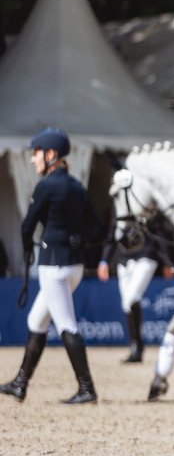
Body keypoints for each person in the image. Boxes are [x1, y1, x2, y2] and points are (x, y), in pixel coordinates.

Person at [1, 128, 103, 404]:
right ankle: (20, 384)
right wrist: (79, 238)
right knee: (36, 320)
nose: (33, 159)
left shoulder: (46, 185)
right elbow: (96, 227)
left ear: (50, 155)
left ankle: (86, 388)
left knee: (67, 324)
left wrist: (25, 249)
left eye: (36, 154)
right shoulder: (76, 185)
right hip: (74, 266)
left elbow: (27, 225)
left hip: (53, 266)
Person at [98, 211, 174, 363]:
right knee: (126, 304)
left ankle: (137, 347)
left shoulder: (146, 205)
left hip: (146, 256)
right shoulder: (119, 204)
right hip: (123, 259)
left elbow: (160, 232)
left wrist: (168, 262)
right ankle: (136, 346)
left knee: (132, 297)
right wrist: (104, 261)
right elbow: (112, 233)